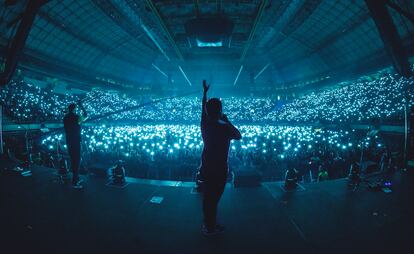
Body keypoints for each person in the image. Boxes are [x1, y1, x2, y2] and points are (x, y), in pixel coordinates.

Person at [199, 80, 242, 235]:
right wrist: (227, 120)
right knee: (214, 198)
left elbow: (202, 109)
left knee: (208, 197)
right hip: (220, 169)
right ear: (220, 111)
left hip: (207, 166)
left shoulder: (205, 124)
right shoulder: (225, 128)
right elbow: (238, 135)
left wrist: (204, 93)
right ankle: (210, 227)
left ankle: (208, 224)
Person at [63, 101, 88, 189]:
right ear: (74, 109)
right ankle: (75, 180)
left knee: (72, 158)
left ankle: (75, 177)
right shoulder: (76, 117)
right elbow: (86, 116)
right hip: (76, 141)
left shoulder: (65, 117)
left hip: (69, 141)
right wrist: (81, 105)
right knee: (77, 160)